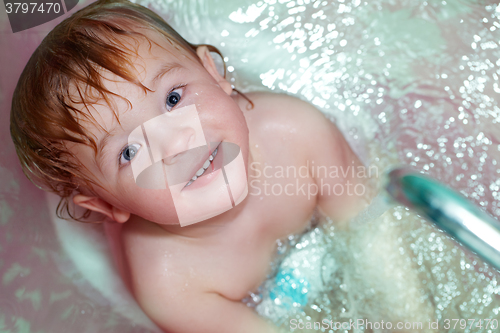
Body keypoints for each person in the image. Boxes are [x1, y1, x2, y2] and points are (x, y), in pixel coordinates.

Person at [10, 0, 372, 331]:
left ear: (214, 72)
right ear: (108, 205)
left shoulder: (297, 134)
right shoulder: (170, 283)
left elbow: (373, 231)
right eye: (129, 152)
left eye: (173, 98)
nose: (176, 143)